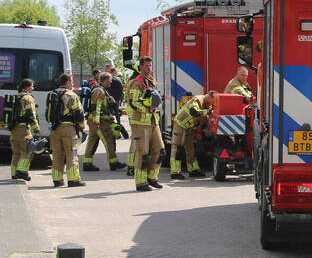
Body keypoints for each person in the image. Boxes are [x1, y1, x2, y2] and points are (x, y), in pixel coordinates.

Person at [125, 56, 164, 191]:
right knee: (143, 153)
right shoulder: (137, 83)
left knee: (160, 150)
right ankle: (141, 182)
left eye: (150, 66)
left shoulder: (150, 81)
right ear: (140, 67)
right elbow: (133, 103)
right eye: (147, 66)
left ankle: (152, 177)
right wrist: (147, 107)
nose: (149, 68)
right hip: (140, 122)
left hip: (153, 121)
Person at [47, 72, 87, 187]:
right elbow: (79, 114)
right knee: (71, 154)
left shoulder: (53, 93)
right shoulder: (71, 95)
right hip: (68, 129)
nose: (73, 84)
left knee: (57, 155)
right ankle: (73, 179)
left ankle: (57, 179)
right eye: (72, 81)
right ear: (68, 82)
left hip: (55, 128)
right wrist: (82, 128)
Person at [83, 71, 125, 172]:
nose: (110, 84)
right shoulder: (99, 91)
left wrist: (118, 110)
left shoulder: (100, 90)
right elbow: (97, 107)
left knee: (93, 141)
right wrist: (97, 121)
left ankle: (87, 163)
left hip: (94, 120)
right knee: (109, 140)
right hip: (100, 121)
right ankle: (113, 163)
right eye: (109, 81)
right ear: (104, 80)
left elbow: (104, 106)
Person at [169, 91, 216, 179]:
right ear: (208, 97)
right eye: (210, 102)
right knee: (177, 147)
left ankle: (193, 170)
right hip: (181, 124)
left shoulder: (206, 104)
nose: (210, 105)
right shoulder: (198, 99)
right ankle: (175, 172)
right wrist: (207, 112)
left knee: (190, 148)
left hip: (190, 128)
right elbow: (194, 112)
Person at [9, 78, 39, 181]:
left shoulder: (16, 97)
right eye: (32, 86)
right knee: (28, 150)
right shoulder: (28, 98)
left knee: (16, 153)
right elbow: (31, 115)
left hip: (14, 130)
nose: (33, 88)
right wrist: (36, 129)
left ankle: (14, 174)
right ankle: (22, 171)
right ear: (27, 87)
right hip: (24, 130)